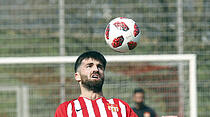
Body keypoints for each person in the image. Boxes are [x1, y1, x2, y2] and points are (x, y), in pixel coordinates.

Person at [55, 51, 138, 117]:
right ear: (77, 76)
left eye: (100, 67)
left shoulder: (120, 107)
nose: (96, 69)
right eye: (89, 66)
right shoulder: (67, 109)